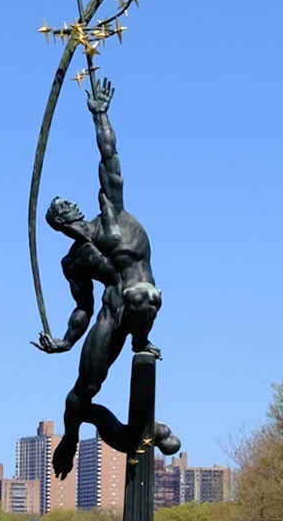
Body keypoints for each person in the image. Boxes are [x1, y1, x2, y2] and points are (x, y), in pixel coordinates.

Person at [35, 76, 180, 478]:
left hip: (141, 296)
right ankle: (80, 437)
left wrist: (101, 115)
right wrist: (65, 341)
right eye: (59, 212)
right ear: (58, 223)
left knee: (139, 296)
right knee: (79, 397)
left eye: (66, 204)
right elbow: (82, 307)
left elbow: (110, 159)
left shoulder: (110, 215)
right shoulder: (73, 261)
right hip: (111, 313)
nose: (66, 210)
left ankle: (142, 339)